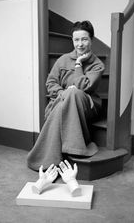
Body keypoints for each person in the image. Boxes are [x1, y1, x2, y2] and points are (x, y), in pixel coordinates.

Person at [27, 20, 105, 171]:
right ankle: (74, 148)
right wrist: (64, 93)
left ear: (91, 40)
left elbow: (84, 86)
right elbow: (50, 83)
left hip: (86, 105)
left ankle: (45, 157)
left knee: (74, 91)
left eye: (84, 39)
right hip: (60, 101)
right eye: (76, 40)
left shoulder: (97, 64)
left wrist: (78, 64)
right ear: (72, 40)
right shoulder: (62, 59)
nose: (80, 44)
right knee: (70, 93)